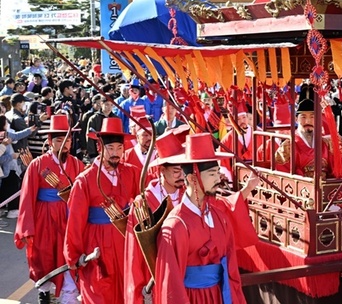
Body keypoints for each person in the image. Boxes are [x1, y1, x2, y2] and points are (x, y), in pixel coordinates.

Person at [154, 133, 259, 304]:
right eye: (212, 174)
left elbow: (231, 270)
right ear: (192, 178)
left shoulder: (220, 217)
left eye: (218, 172)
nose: (218, 179)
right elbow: (171, 287)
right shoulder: (175, 227)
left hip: (220, 295)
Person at [64, 117, 139, 303]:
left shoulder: (131, 172)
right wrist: (74, 254)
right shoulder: (85, 180)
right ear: (100, 148)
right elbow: (75, 220)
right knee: (98, 293)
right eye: (110, 148)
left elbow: (144, 201)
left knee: (125, 291)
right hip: (96, 244)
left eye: (119, 148)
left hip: (124, 241)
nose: (116, 153)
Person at [14, 115, 84, 304]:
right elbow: (27, 197)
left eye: (67, 140)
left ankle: (69, 295)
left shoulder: (78, 165)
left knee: (69, 258)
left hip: (69, 218)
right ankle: (44, 290)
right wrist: (27, 228)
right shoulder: (37, 165)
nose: (64, 144)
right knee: (43, 257)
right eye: (59, 140)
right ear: (50, 141)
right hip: (44, 217)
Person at [123, 131, 186, 304]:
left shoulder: (188, 196)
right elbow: (134, 254)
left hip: (183, 274)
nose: (182, 175)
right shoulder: (142, 203)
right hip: (152, 275)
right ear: (161, 170)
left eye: (184, 170)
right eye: (176, 171)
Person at [275, 96, 342, 178]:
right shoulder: (288, 146)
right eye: (303, 117)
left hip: (326, 188)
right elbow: (283, 176)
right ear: (296, 119)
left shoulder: (327, 143)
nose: (308, 121)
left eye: (312, 117)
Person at [85, 95, 118, 161]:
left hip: (112, 152)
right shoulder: (94, 119)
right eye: (107, 104)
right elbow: (90, 137)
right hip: (97, 151)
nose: (109, 107)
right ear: (101, 104)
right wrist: (92, 154)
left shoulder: (116, 119)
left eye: (111, 105)